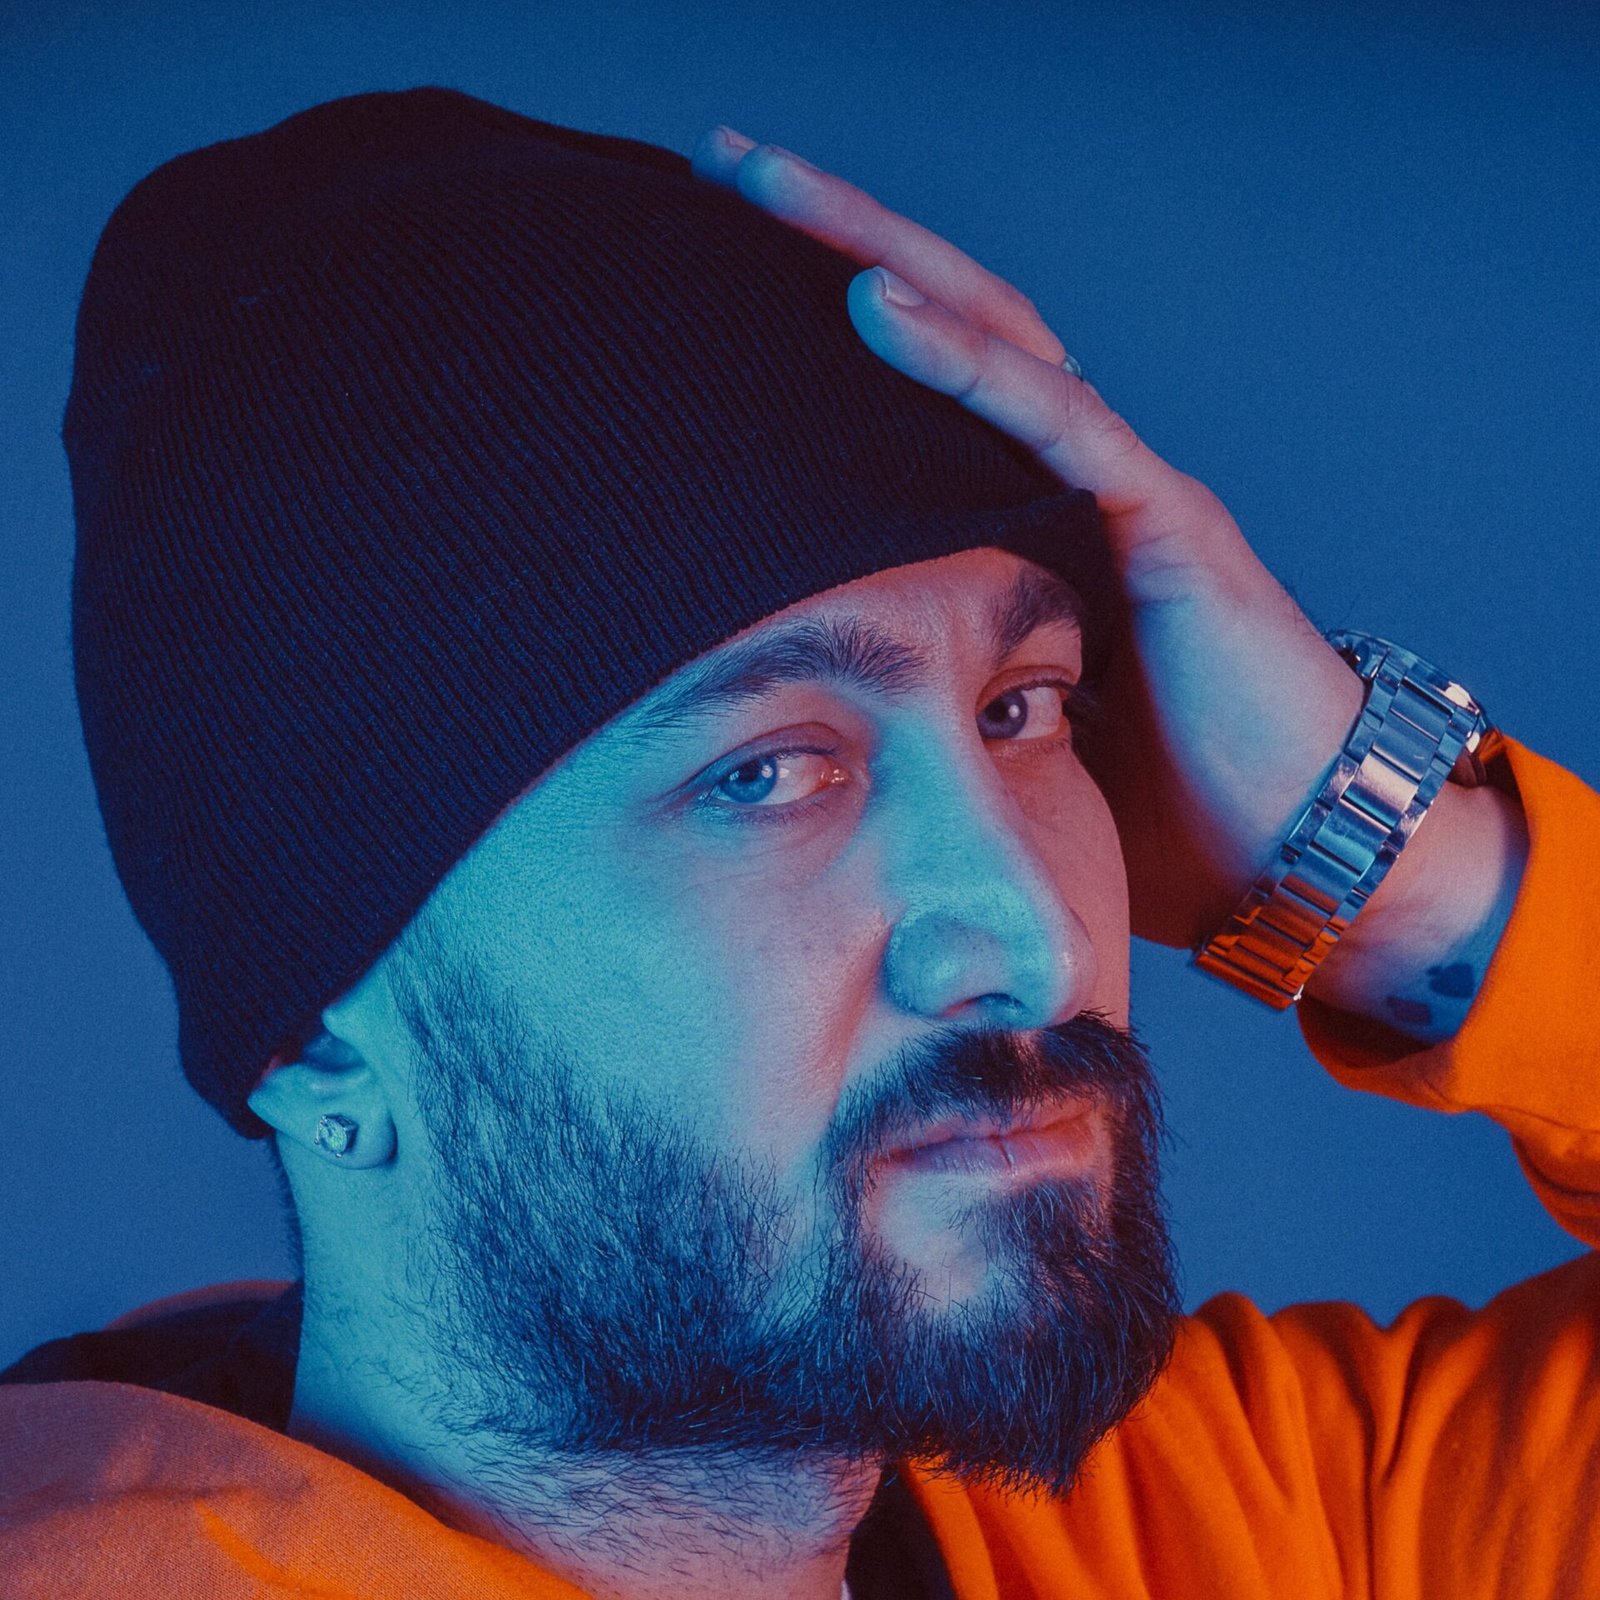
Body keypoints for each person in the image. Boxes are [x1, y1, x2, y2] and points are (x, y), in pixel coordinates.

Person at [1, 87, 1594, 1600]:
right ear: (321, 1048)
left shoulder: (1229, 1526)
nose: (1039, 939)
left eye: (1023, 709)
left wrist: (1393, 870)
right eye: (765, 774)